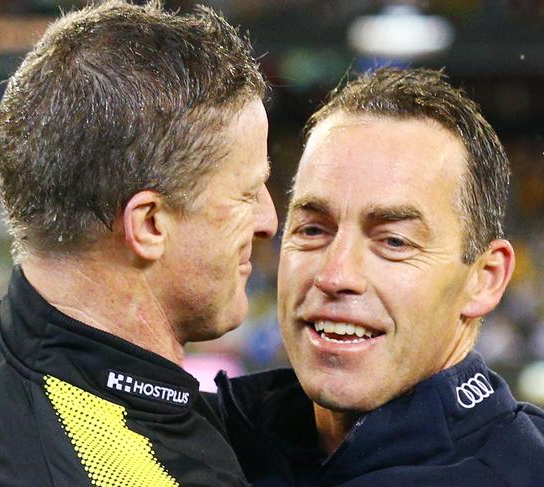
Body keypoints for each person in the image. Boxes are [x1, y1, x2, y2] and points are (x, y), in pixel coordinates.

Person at [0, 1, 277, 486]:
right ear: (148, 225)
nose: (269, 220)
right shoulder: (100, 468)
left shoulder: (10, 349)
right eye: (247, 194)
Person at [215, 68, 544, 486]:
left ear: (485, 279)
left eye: (393, 241)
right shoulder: (203, 447)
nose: (335, 276)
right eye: (313, 230)